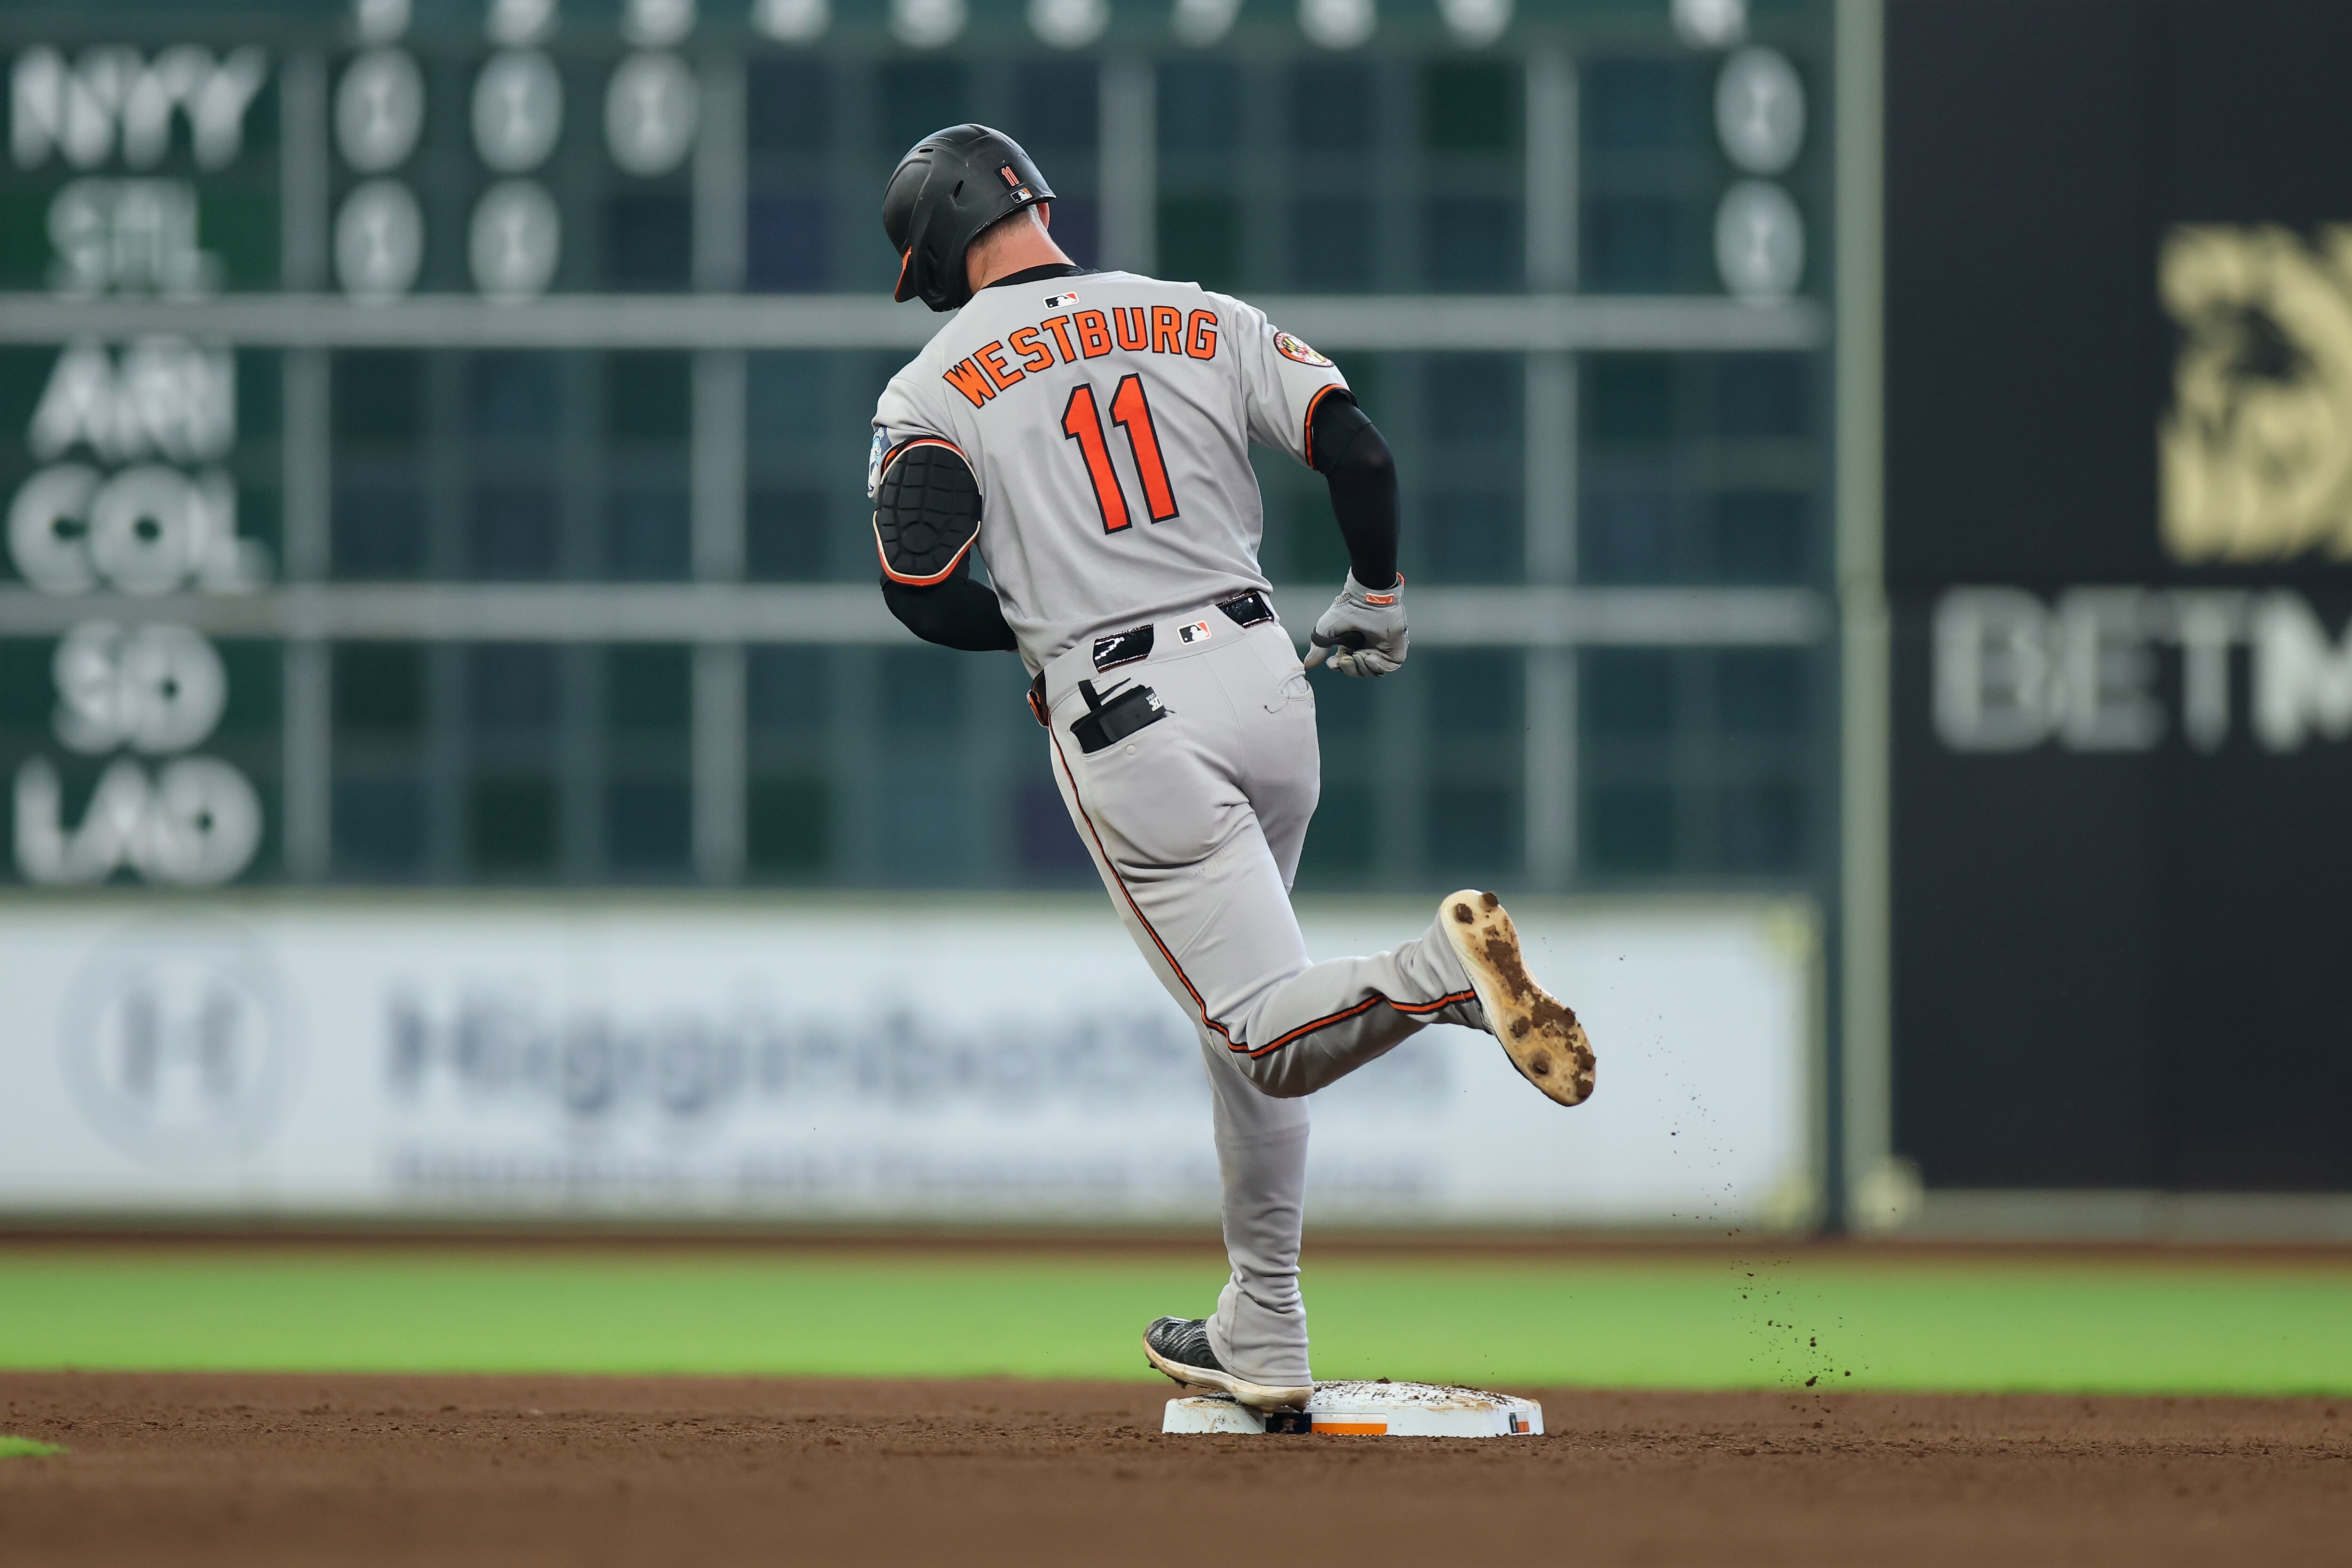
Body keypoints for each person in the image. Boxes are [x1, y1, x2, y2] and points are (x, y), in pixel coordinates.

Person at [869, 124, 1595, 1411]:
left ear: (936, 247)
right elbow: (1358, 450)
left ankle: (1439, 976)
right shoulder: (1199, 318)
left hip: (1126, 714)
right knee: (1257, 1010)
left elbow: (922, 589)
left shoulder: (935, 382)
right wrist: (1375, 593)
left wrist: (1041, 626)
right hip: (1269, 682)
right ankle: (1264, 1321)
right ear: (1032, 201)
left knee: (1257, 1038)